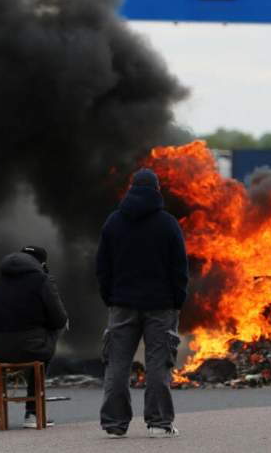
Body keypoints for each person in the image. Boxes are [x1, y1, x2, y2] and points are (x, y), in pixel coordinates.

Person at [96, 168, 188, 439]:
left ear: (131, 188)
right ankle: (159, 423)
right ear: (157, 190)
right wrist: (177, 301)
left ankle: (114, 424)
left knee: (117, 365)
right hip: (161, 306)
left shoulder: (114, 222)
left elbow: (102, 267)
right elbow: (179, 268)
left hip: (122, 305)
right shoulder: (168, 223)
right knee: (158, 364)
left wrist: (110, 298)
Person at [0, 246, 69, 428]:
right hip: (29, 349)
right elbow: (59, 319)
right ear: (42, 264)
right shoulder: (43, 280)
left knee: (32, 338)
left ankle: (23, 406)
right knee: (59, 328)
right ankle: (33, 412)